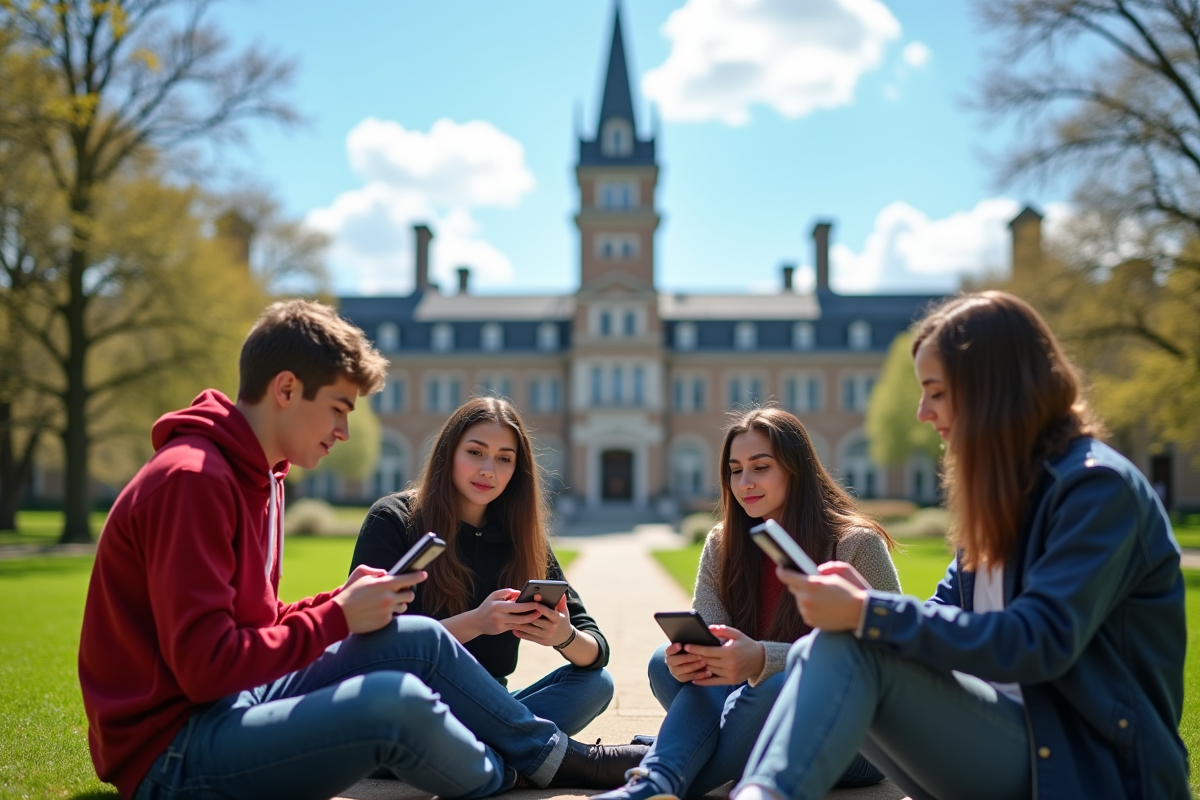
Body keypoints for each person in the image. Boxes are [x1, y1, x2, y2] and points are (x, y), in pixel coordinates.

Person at [77, 300, 644, 800]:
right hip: (174, 750)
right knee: (393, 700)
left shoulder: (253, 477)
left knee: (418, 638)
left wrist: (336, 601)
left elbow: (252, 627)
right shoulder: (194, 479)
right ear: (286, 390)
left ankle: (524, 756)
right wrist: (337, 616)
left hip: (233, 705)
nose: (344, 431)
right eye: (340, 408)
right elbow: (205, 670)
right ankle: (527, 766)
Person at [733, 291, 1189, 800]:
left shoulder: (1095, 489)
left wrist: (870, 614)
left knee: (851, 644)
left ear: (992, 389)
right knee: (822, 647)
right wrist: (868, 605)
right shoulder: (1002, 499)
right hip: (1012, 743)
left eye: (936, 392)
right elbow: (938, 622)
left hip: (1090, 769)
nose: (923, 412)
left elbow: (1035, 642)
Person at [596, 407, 900, 800]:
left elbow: (889, 656)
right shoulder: (723, 543)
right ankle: (668, 773)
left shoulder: (856, 543)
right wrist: (692, 654)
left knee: (775, 683)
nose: (745, 483)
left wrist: (763, 658)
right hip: (752, 706)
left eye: (760, 467)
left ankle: (659, 775)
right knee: (667, 664)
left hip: (852, 737)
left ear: (796, 469)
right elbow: (711, 641)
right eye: (735, 470)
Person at [350, 396, 613, 736]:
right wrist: (477, 622)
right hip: (409, 701)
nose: (489, 470)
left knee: (596, 685)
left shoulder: (521, 536)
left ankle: (488, 752)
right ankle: (517, 751)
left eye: (505, 459)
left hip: (490, 706)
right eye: (475, 452)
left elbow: (596, 648)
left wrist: (563, 636)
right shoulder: (394, 520)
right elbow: (371, 645)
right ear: (449, 453)